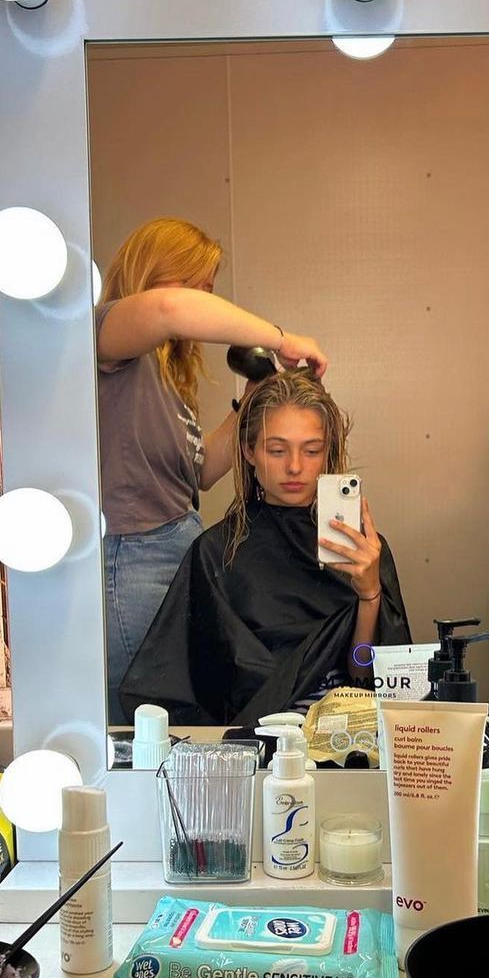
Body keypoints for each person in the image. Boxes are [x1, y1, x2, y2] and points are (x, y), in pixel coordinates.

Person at [96, 217, 327, 723]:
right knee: (143, 719)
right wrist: (281, 339)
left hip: (180, 543)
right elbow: (170, 309)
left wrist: (252, 394)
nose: (205, 299)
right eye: (197, 285)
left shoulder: (160, 375)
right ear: (155, 272)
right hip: (135, 561)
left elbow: (200, 472)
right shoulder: (106, 334)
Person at [119, 368, 411, 726]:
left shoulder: (363, 551)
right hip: (254, 738)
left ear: (327, 453)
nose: (294, 467)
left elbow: (366, 681)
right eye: (277, 450)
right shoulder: (215, 554)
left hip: (345, 735)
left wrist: (369, 597)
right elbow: (183, 690)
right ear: (249, 450)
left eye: (312, 450)